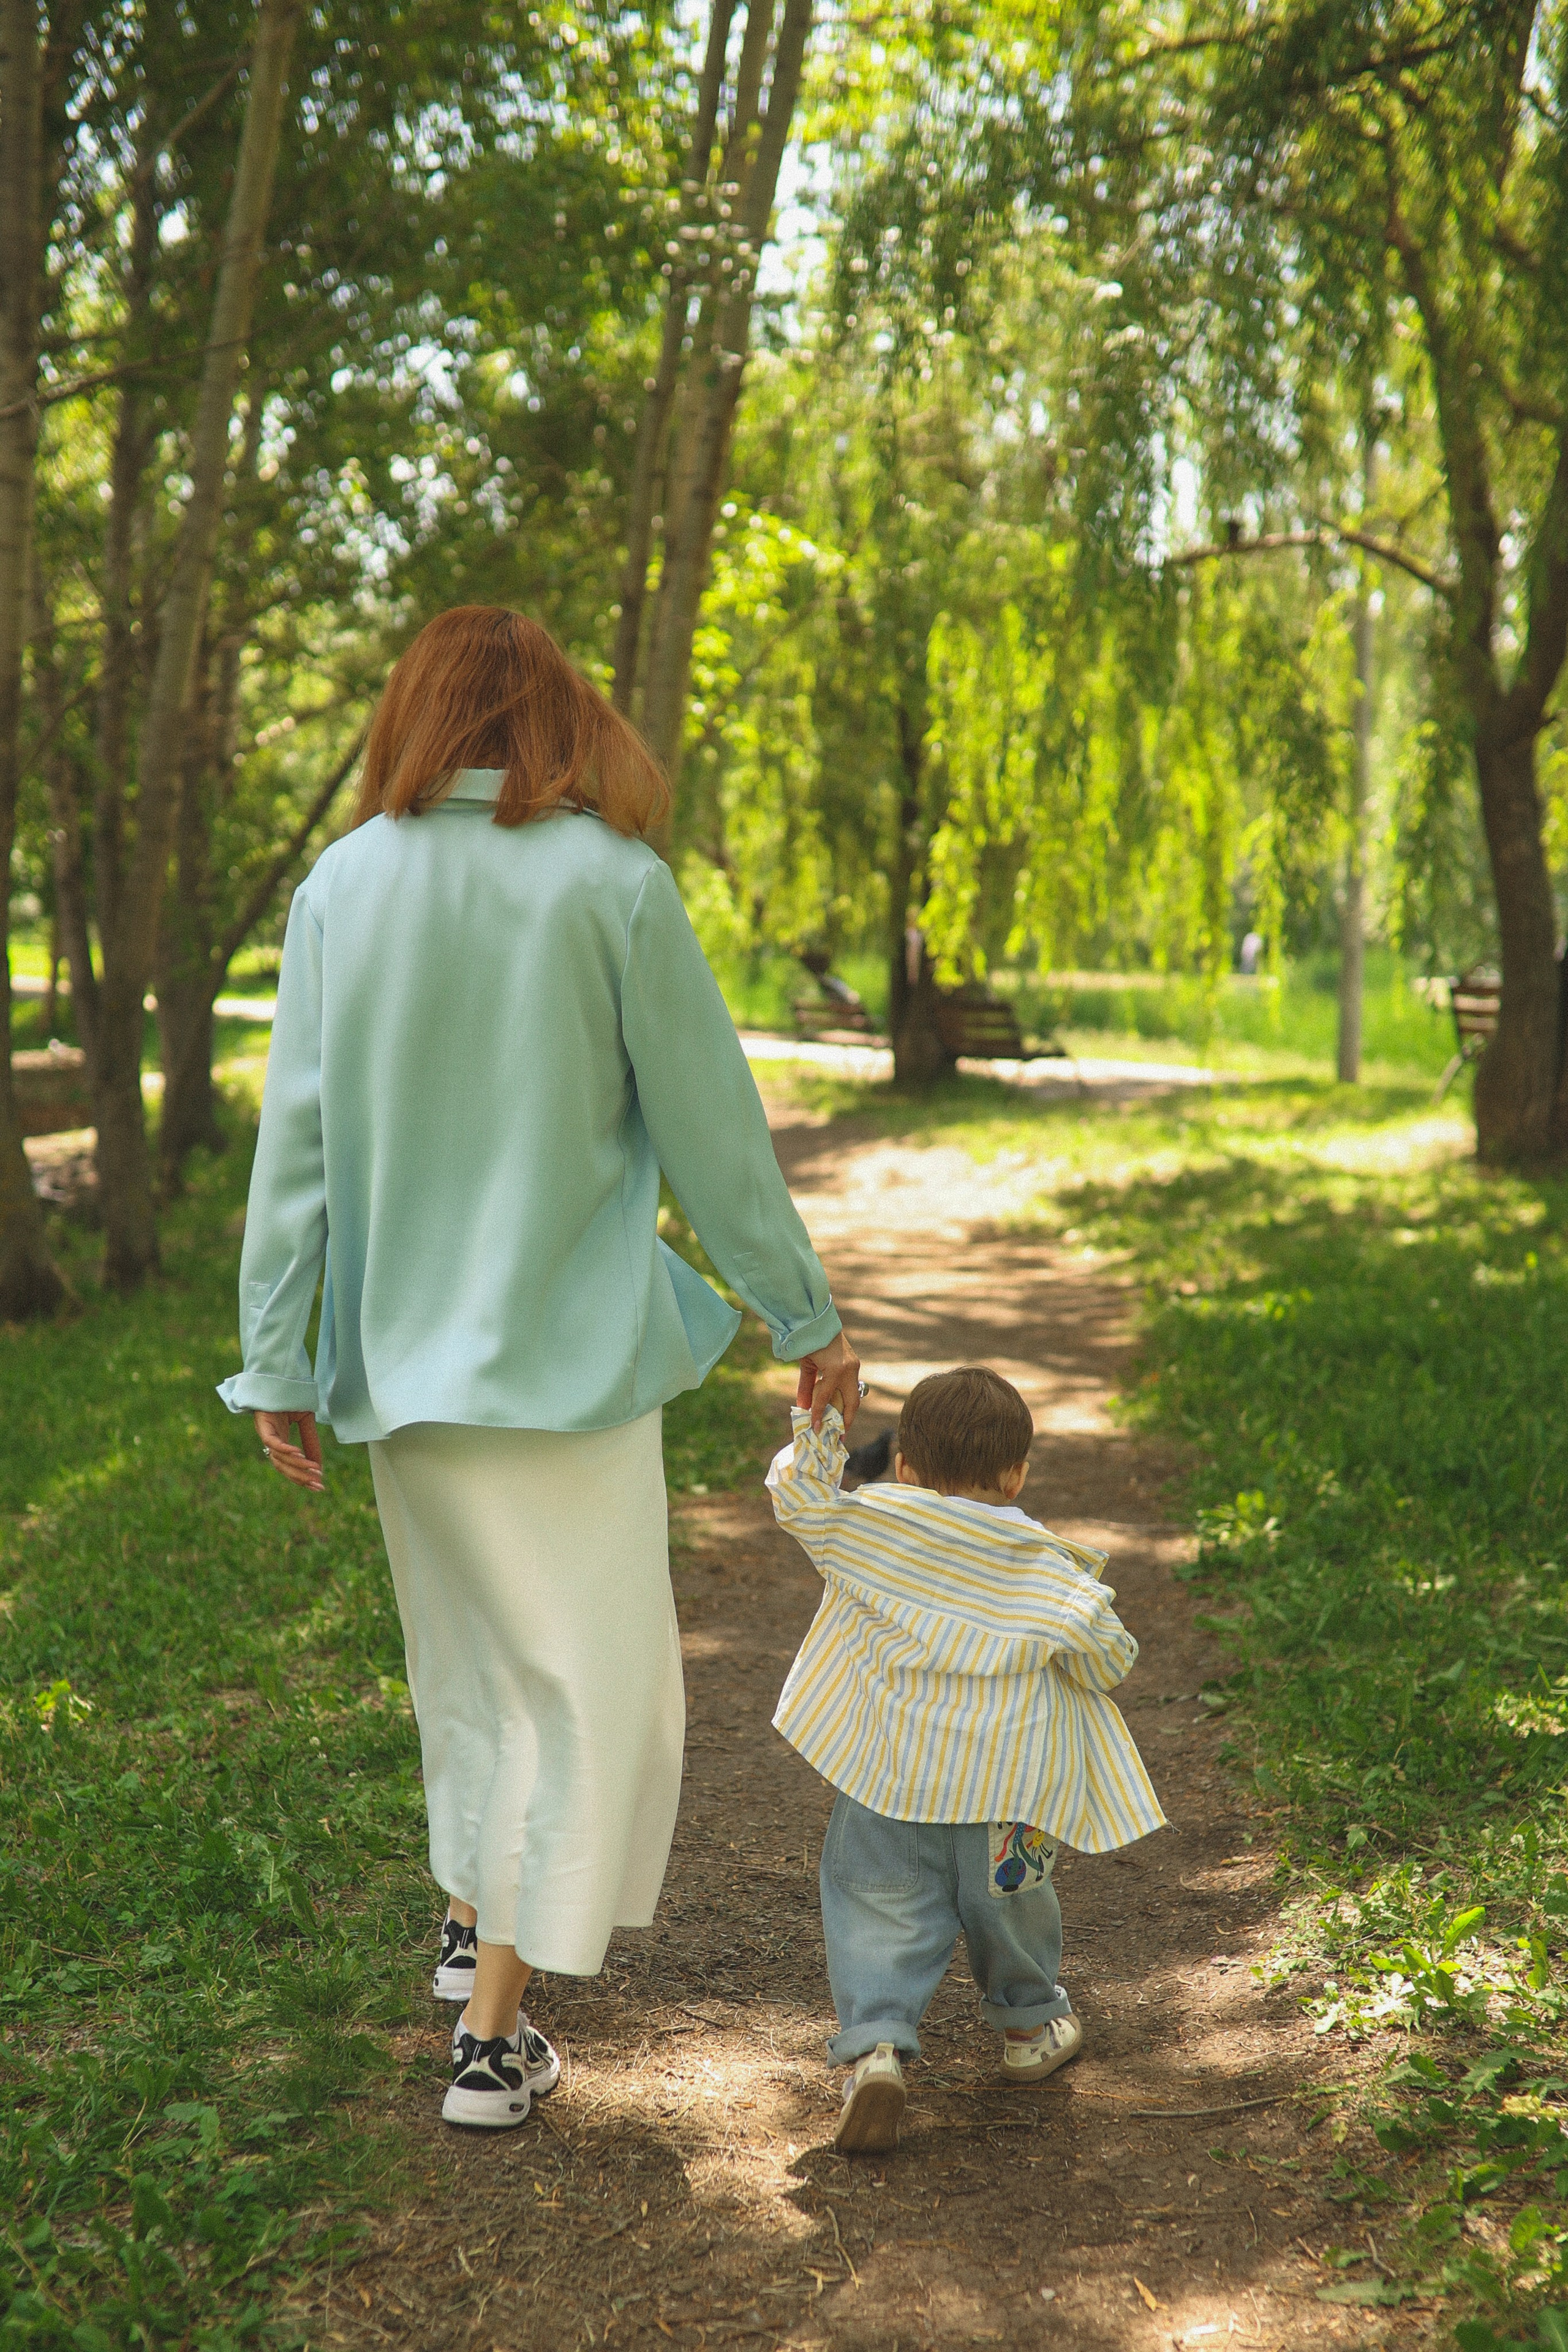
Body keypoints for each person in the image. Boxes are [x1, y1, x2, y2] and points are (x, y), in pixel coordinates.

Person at [218, 606, 860, 2132]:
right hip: (563, 1374)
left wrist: (277, 1363)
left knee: (473, 1679)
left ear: (418, 716)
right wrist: (802, 1313)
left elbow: (291, 1158)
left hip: (400, 1376)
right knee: (589, 1697)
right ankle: (494, 2042)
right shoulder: (611, 886)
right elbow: (712, 1130)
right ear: (559, 717)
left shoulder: (341, 884)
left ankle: (469, 1925)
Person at [766, 1365, 1164, 2154]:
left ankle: (877, 2044)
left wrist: (819, 1425)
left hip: (887, 1781)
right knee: (1015, 1908)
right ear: (1017, 1473)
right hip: (1009, 1796)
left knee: (872, 1907)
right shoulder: (1047, 1569)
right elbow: (1107, 1658)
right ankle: (1028, 2025)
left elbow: (798, 1496)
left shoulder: (870, 1526)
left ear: (906, 1467)